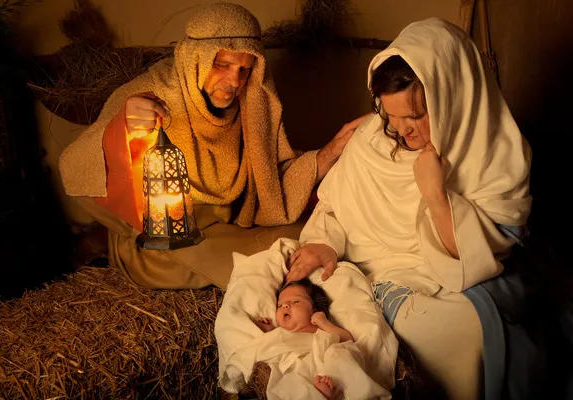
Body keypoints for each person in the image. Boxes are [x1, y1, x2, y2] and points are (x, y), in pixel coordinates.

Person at [286, 18, 536, 400]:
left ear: (452, 95)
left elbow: (477, 263)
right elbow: (335, 206)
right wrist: (328, 243)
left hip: (464, 276)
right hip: (391, 272)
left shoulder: (496, 155)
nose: (402, 130)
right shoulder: (372, 139)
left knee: (476, 330)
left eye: (415, 115)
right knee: (444, 333)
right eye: (391, 114)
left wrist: (436, 196)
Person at [58, 3, 363, 289]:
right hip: (171, 234)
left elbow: (271, 179)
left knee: (307, 242)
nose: (234, 80)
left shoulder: (253, 102)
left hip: (230, 222)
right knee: (265, 269)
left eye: (244, 69)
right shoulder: (153, 93)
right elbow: (78, 164)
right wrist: (124, 128)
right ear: (196, 58)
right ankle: (119, 247)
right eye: (223, 64)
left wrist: (329, 153)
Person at [255, 278, 354, 399]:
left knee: (338, 355)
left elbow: (347, 340)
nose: (285, 306)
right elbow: (274, 347)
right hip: (293, 377)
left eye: (295, 301)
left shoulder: (321, 330)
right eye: (280, 305)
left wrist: (324, 323)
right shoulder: (280, 333)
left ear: (316, 309)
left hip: (321, 370)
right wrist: (268, 331)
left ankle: (323, 393)